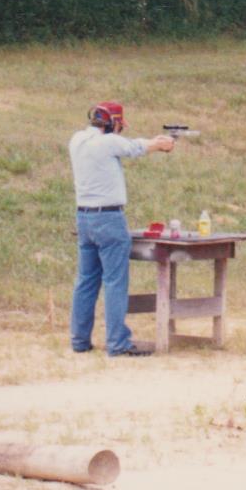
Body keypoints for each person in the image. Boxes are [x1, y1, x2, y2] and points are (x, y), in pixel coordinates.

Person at [69, 101, 174, 356]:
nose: (119, 129)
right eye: (118, 124)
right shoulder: (107, 142)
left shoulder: (77, 139)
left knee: (86, 281)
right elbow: (134, 147)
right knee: (115, 282)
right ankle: (117, 343)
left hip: (84, 217)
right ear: (111, 122)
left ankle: (80, 341)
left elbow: (127, 144)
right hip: (109, 218)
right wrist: (160, 143)